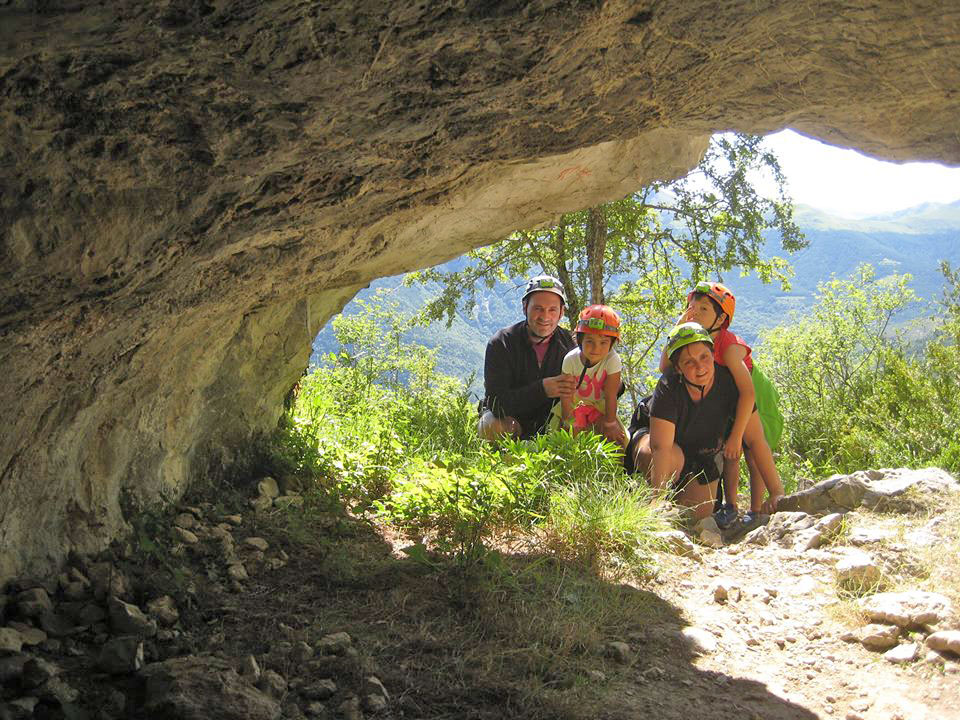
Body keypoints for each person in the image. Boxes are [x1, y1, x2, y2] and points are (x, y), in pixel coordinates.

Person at [661, 282, 784, 527]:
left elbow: (748, 394)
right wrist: (678, 327)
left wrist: (737, 435)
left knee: (753, 448)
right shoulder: (697, 340)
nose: (694, 312)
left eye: (703, 309)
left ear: (721, 319)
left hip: (753, 396)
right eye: (691, 307)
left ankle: (768, 502)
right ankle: (731, 506)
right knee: (728, 453)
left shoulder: (728, 346)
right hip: (728, 395)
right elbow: (665, 367)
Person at [630, 322, 771, 521]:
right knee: (665, 457)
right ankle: (649, 500)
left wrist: (776, 493)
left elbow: (756, 439)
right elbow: (660, 446)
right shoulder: (669, 386)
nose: (700, 367)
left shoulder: (729, 384)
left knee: (696, 518)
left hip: (701, 458)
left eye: (704, 356)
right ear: (678, 368)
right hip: (662, 448)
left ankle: (674, 503)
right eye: (689, 362)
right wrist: (657, 500)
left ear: (713, 354)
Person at [478, 275, 576, 440]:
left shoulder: (570, 346)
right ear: (525, 308)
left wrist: (616, 387)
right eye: (538, 308)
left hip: (552, 422)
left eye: (552, 310)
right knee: (492, 426)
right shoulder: (502, 343)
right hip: (511, 419)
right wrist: (542, 389)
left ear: (561, 312)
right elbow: (496, 403)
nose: (545, 317)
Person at [556, 304, 628, 447]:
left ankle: (616, 469)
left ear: (612, 343)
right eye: (590, 341)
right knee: (564, 438)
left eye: (603, 343)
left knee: (618, 439)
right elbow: (566, 395)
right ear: (580, 340)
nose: (596, 348)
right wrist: (568, 420)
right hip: (574, 403)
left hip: (600, 405)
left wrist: (610, 422)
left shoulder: (612, 360)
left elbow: (610, 395)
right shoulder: (570, 360)